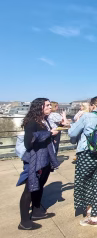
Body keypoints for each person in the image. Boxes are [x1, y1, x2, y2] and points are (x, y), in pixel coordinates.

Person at [68, 96, 97, 227]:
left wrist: (75, 121)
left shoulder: (87, 117)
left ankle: (89, 212)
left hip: (88, 154)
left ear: (93, 106)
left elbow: (72, 133)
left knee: (86, 182)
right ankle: (96, 217)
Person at [17, 98, 60, 230]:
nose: (50, 107)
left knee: (39, 186)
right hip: (35, 160)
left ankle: (36, 212)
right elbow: (28, 142)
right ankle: (24, 222)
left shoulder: (44, 120)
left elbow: (46, 136)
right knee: (29, 189)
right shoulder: (31, 122)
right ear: (39, 107)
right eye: (47, 105)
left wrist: (53, 133)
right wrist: (49, 133)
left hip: (45, 159)